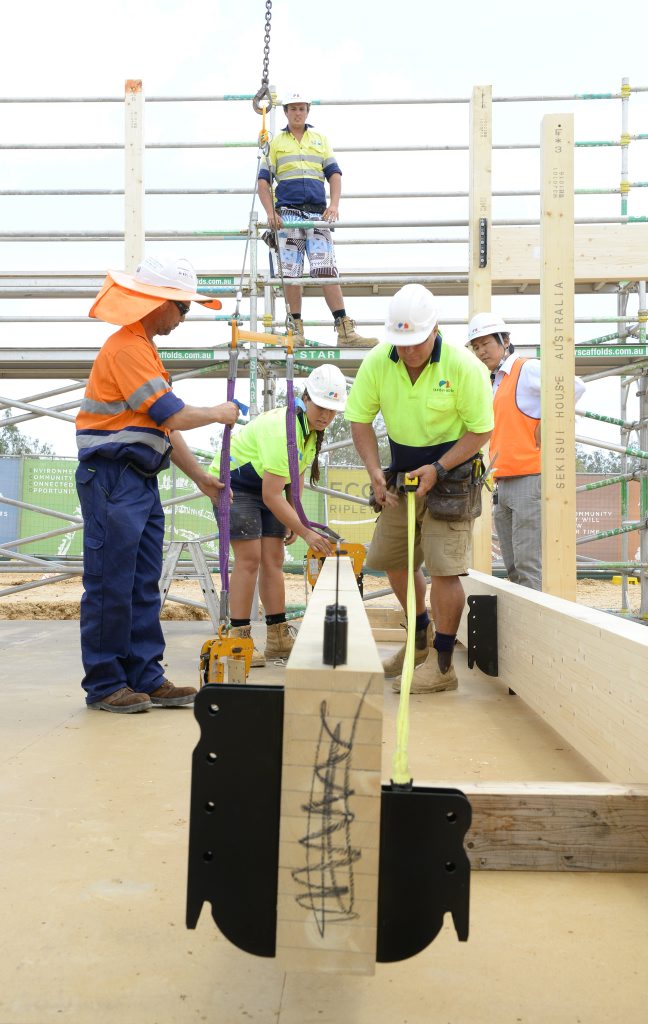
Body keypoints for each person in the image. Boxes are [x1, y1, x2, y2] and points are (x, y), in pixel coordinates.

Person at [75, 255, 240, 714]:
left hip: (138, 480)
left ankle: (145, 675)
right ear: (159, 301)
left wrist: (204, 479)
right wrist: (218, 413)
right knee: (112, 582)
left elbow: (164, 430)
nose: (184, 318)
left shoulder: (144, 350)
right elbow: (173, 414)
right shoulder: (126, 348)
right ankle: (107, 684)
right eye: (182, 308)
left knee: (143, 583)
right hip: (112, 478)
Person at [345, 284, 493, 693]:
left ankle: (443, 666)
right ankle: (421, 640)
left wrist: (440, 467)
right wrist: (375, 470)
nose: (408, 352)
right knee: (393, 557)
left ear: (436, 330)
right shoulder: (378, 360)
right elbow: (359, 418)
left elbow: (481, 430)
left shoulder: (464, 366)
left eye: (416, 343)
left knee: (445, 568)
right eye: (401, 343)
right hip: (403, 473)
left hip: (455, 473)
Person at [208, 364, 348, 666]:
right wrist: (307, 530)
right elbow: (273, 494)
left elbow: (292, 482)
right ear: (306, 398)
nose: (326, 415)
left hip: (265, 486)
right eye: (321, 407)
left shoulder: (311, 430)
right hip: (235, 484)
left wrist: (296, 519)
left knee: (274, 559)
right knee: (250, 559)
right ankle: (239, 639)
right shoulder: (282, 428)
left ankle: (278, 636)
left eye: (333, 410)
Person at [467, 312, 586, 591]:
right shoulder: (494, 381)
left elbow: (574, 386)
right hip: (503, 481)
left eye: (486, 343)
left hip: (529, 479)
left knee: (529, 565)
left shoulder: (527, 368)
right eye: (476, 347)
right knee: (514, 566)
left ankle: (538, 629)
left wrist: (550, 423)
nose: (481, 351)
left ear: (505, 340)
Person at [257, 90, 377, 350]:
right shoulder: (276, 143)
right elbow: (263, 180)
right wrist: (270, 212)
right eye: (293, 108)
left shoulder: (320, 139)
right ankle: (295, 328)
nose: (297, 113)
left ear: (307, 111)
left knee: (327, 270)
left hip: (316, 213)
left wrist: (334, 204)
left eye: (302, 108)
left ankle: (344, 329)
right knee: (291, 275)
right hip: (287, 213)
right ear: (286, 112)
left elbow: (334, 174)